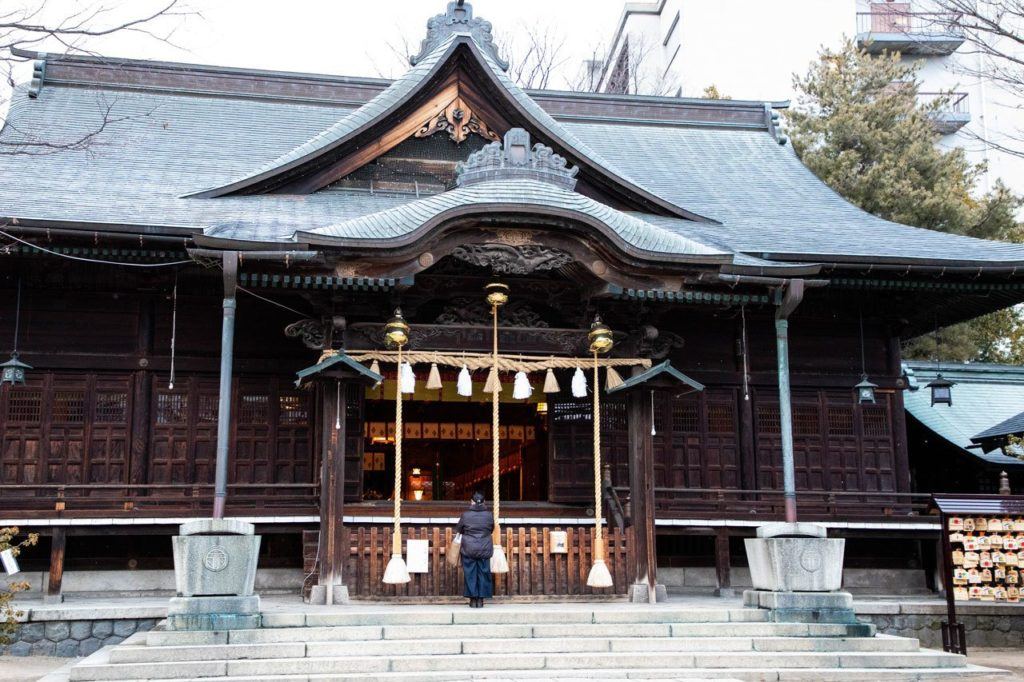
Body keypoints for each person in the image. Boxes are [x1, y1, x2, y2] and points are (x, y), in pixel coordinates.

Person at [455, 491, 494, 608]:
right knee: (484, 572)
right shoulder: (489, 515)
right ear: (484, 502)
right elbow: (491, 529)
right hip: (484, 547)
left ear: (471, 502)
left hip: (469, 548)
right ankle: (481, 600)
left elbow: (459, 529)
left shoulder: (465, 515)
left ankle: (472, 600)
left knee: (470, 573)